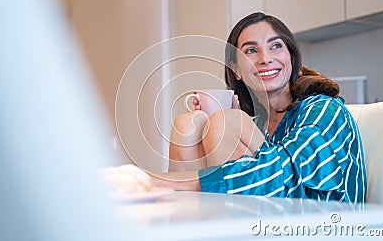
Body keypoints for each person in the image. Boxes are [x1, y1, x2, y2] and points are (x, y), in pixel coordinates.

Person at [155, 12, 367, 204]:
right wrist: (212, 127)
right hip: (260, 215)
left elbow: (284, 172)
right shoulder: (255, 123)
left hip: (318, 225)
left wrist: (182, 183)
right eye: (251, 51)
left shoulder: (325, 110)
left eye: (276, 46)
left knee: (225, 122)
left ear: (291, 58)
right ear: (236, 69)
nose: (265, 59)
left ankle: (160, 187)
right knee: (189, 124)